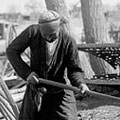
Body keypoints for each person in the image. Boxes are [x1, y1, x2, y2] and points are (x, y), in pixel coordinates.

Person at [6, 10, 89, 120]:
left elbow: (74, 69)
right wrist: (27, 74)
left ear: (59, 28)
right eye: (45, 35)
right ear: (40, 29)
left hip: (60, 91)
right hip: (36, 90)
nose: (49, 38)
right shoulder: (32, 32)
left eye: (52, 35)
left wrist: (80, 83)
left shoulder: (68, 42)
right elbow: (12, 51)